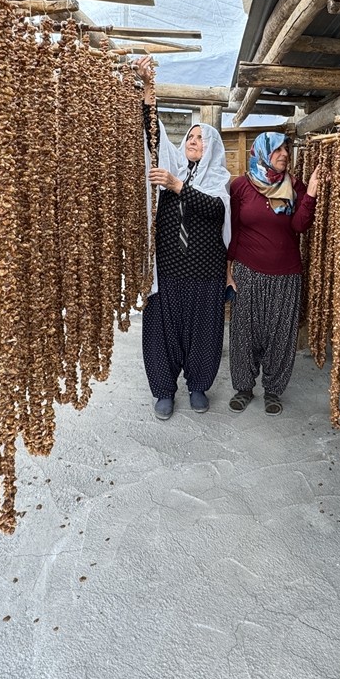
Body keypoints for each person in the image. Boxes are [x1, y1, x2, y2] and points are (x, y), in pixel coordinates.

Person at [136, 56, 231, 420]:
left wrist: (177, 187)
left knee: (204, 333)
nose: (193, 141)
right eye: (190, 137)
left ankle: (197, 386)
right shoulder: (175, 166)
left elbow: (215, 211)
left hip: (205, 273)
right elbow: (154, 136)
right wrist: (148, 89)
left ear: (213, 149)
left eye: (200, 139)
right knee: (161, 330)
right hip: (171, 270)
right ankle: (163, 390)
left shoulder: (218, 181)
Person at [226, 131, 322, 415]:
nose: (283, 155)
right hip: (247, 271)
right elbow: (232, 231)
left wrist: (312, 192)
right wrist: (227, 271)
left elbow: (300, 226)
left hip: (286, 274)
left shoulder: (294, 186)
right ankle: (244, 388)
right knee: (244, 332)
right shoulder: (241, 186)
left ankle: (273, 391)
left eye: (286, 150)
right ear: (263, 152)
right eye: (277, 150)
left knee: (281, 334)